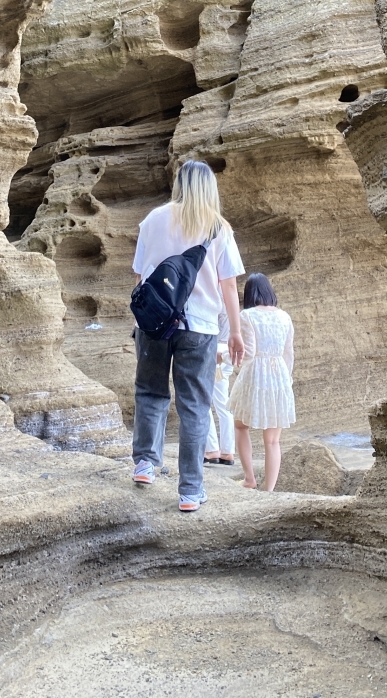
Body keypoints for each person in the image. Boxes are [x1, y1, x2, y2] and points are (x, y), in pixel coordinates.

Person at [130, 160, 245, 512]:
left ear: (179, 184)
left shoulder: (153, 220)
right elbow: (229, 287)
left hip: (155, 324)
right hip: (200, 328)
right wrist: (236, 332)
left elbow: (141, 278)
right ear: (209, 187)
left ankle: (146, 464)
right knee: (194, 405)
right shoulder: (218, 228)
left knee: (150, 391)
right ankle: (191, 491)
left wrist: (142, 321)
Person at [228, 272, 295, 492]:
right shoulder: (285, 316)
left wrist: (225, 357)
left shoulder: (247, 316)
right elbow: (289, 353)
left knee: (240, 426)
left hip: (255, 376)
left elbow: (248, 353)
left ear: (248, 294)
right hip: (280, 375)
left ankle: (249, 479)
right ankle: (269, 491)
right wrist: (286, 379)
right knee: (273, 440)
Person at [204, 308, 235, 466]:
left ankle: (211, 450)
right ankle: (227, 451)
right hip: (228, 351)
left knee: (203, 401)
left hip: (214, 350)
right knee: (223, 404)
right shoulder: (231, 298)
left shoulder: (214, 297)